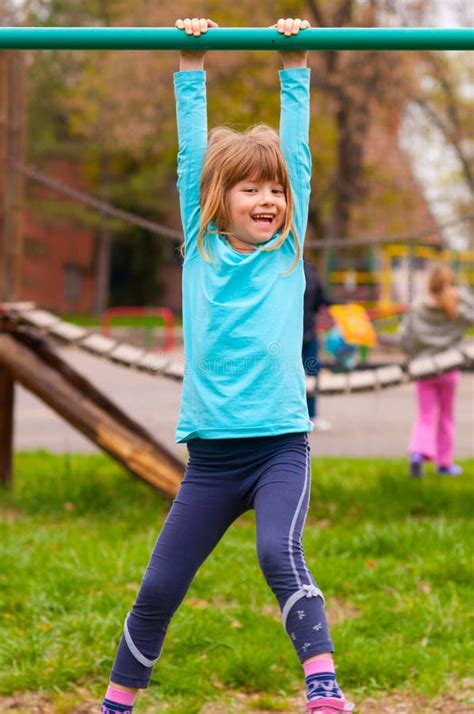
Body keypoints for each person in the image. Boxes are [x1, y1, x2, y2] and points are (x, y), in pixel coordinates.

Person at [101, 17, 354, 714]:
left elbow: (295, 155)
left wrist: (292, 60)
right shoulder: (202, 246)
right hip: (212, 457)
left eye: (273, 190)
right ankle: (118, 700)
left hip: (278, 447)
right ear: (218, 202)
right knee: (158, 587)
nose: (267, 199)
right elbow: (193, 156)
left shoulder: (287, 250)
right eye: (249, 189)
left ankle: (323, 685)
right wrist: (191, 60)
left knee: (280, 553)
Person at [400, 264, 474, 478]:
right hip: (449, 368)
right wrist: (462, 294)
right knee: (446, 416)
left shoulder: (418, 307)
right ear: (448, 284)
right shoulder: (455, 308)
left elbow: (407, 338)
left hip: (424, 369)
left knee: (425, 416)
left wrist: (411, 356)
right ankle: (444, 463)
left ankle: (417, 453)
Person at [303, 260, 333, 431]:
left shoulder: (309, 268)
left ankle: (312, 414)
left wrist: (343, 305)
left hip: (309, 333)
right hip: (288, 335)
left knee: (313, 373)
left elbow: (321, 298)